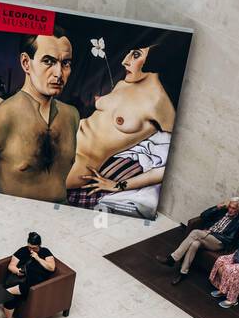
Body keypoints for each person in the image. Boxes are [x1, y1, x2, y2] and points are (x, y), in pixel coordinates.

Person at [0, 28, 80, 203]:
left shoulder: (71, 116)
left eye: (66, 63)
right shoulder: (2, 117)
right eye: (48, 61)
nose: (58, 73)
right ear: (26, 63)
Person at [67, 34, 179, 210]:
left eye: (135, 55)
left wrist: (119, 185)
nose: (124, 62)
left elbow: (172, 166)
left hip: (78, 160)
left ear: (158, 57)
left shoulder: (160, 103)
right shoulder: (123, 84)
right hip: (62, 135)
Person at [157, 196, 239, 283]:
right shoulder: (222, 211)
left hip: (219, 242)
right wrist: (217, 207)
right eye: (230, 207)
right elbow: (203, 215)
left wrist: (209, 233)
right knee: (194, 244)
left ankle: (172, 259)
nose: (230, 210)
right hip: (207, 237)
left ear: (238, 210)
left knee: (195, 233)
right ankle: (183, 272)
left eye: (234, 209)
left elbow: (229, 239)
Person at [0, 231, 56, 318]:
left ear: (39, 245)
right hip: (21, 280)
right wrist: (17, 271)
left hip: (37, 284)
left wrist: (37, 258)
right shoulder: (23, 251)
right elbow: (11, 266)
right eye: (29, 247)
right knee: (11, 299)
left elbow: (51, 267)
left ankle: (5, 293)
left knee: (33, 277)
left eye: (34, 248)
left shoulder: (45, 252)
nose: (31, 250)